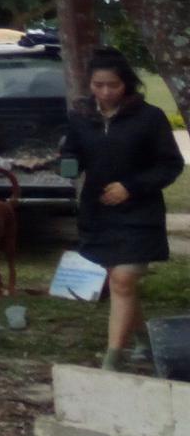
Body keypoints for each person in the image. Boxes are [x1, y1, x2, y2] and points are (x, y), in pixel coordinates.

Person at [61, 49, 184, 371]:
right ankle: (145, 341)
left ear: (126, 83)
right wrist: (67, 163)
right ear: (90, 84)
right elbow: (73, 152)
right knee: (119, 283)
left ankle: (112, 360)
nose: (105, 92)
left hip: (139, 213)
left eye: (112, 85)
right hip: (97, 212)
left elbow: (170, 165)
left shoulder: (150, 117)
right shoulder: (81, 117)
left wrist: (131, 186)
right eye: (98, 85)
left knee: (123, 279)